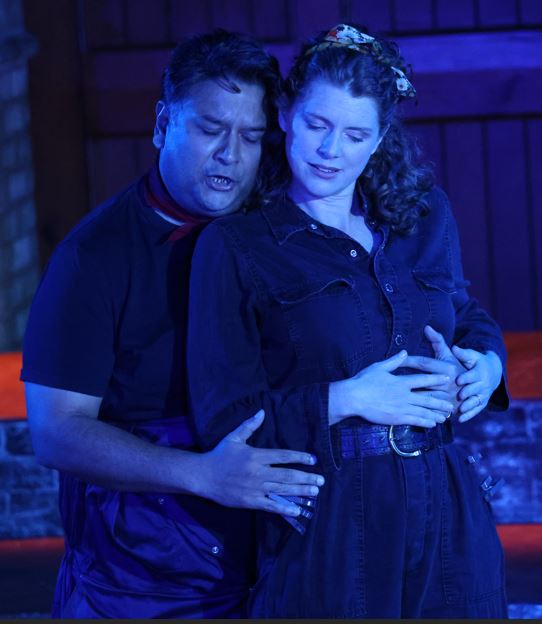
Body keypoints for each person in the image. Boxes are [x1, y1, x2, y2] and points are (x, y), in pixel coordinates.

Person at [188, 24, 509, 618]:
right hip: (330, 519)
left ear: (380, 137)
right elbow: (222, 416)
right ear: (286, 114)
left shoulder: (424, 217)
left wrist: (486, 367)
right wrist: (347, 398)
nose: (330, 150)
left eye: (355, 134)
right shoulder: (237, 245)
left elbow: (465, 315)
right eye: (317, 124)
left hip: (448, 510)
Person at [21, 29, 325, 619]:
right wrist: (202, 475)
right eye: (211, 130)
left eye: (251, 137)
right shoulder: (94, 256)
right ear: (163, 125)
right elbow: (56, 432)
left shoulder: (275, 232)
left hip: (273, 564)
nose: (230, 155)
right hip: (139, 581)